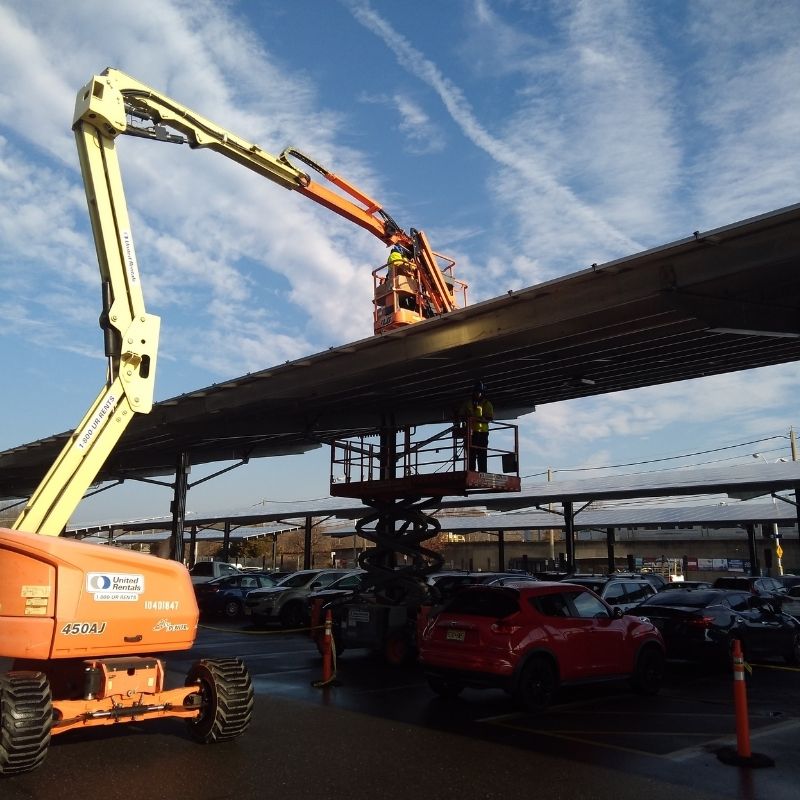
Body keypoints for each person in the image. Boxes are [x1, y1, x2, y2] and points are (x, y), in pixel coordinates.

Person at [460, 380, 494, 472]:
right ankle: (471, 470)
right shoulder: (468, 403)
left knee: (482, 453)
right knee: (471, 453)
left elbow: (489, 418)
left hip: (482, 433)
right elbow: (461, 415)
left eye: (479, 392)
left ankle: (482, 471)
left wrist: (477, 419)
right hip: (471, 432)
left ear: (482, 393)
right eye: (476, 392)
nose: (477, 394)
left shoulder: (487, 404)